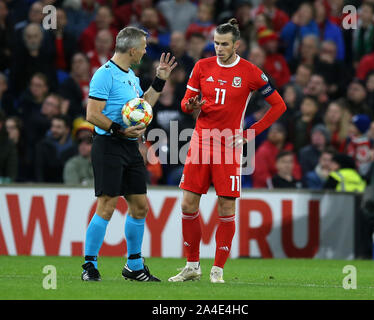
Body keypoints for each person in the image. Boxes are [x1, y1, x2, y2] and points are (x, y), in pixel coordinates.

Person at [170, 19, 286, 283]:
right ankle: (192, 266)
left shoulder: (250, 72)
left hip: (228, 146)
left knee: (225, 207)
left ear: (236, 45)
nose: (219, 48)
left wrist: (251, 133)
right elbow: (185, 104)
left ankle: (218, 270)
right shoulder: (202, 66)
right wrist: (192, 104)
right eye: (216, 43)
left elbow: (279, 105)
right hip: (200, 142)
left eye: (224, 44)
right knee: (188, 204)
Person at [82, 26, 177, 282]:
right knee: (107, 205)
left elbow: (144, 105)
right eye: (144, 47)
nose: (146, 51)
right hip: (109, 146)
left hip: (129, 146)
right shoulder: (104, 75)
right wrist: (118, 130)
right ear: (133, 49)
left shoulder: (132, 77)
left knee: (139, 206)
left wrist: (160, 79)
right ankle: (89, 266)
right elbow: (92, 114)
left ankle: (134, 266)